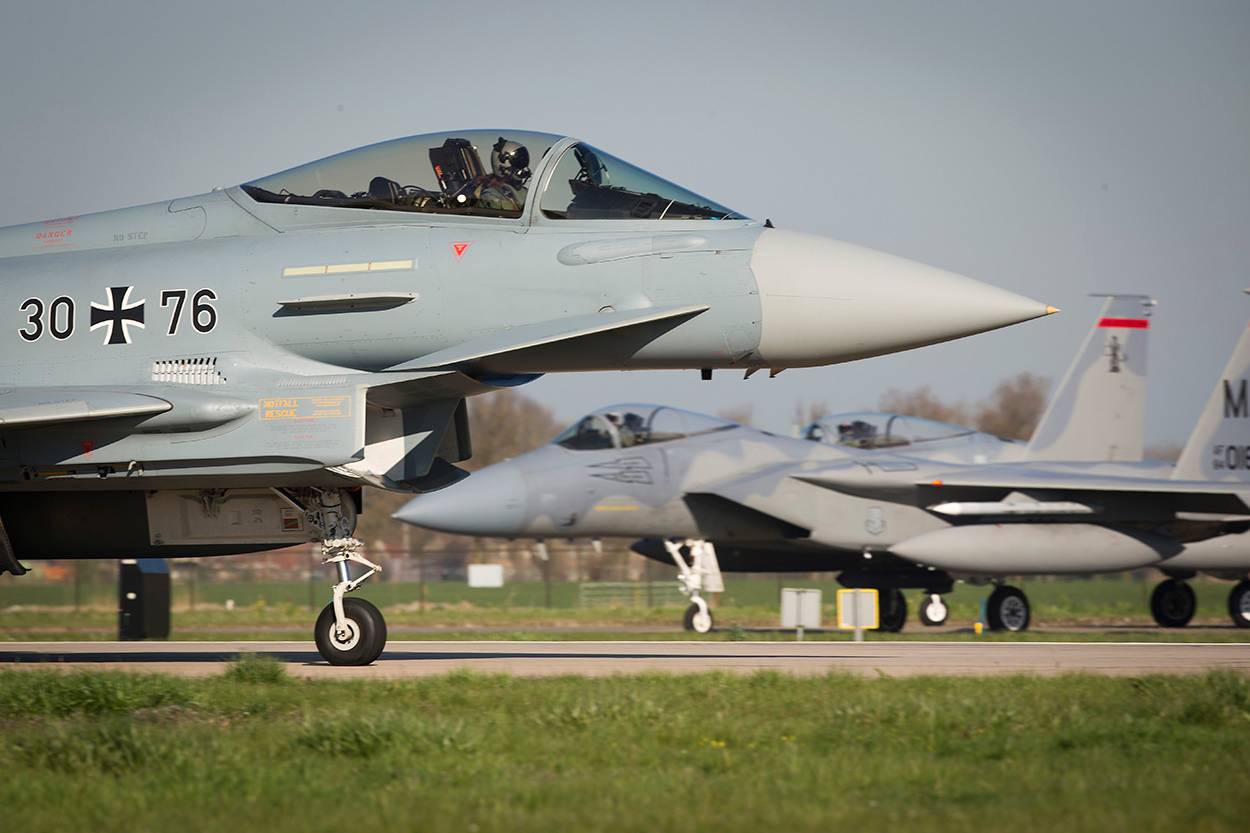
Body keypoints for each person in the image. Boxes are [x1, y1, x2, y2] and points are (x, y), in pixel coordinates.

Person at [468, 137, 532, 213]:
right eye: (517, 163)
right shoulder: (491, 196)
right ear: (501, 165)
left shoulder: (524, 192)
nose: (521, 168)